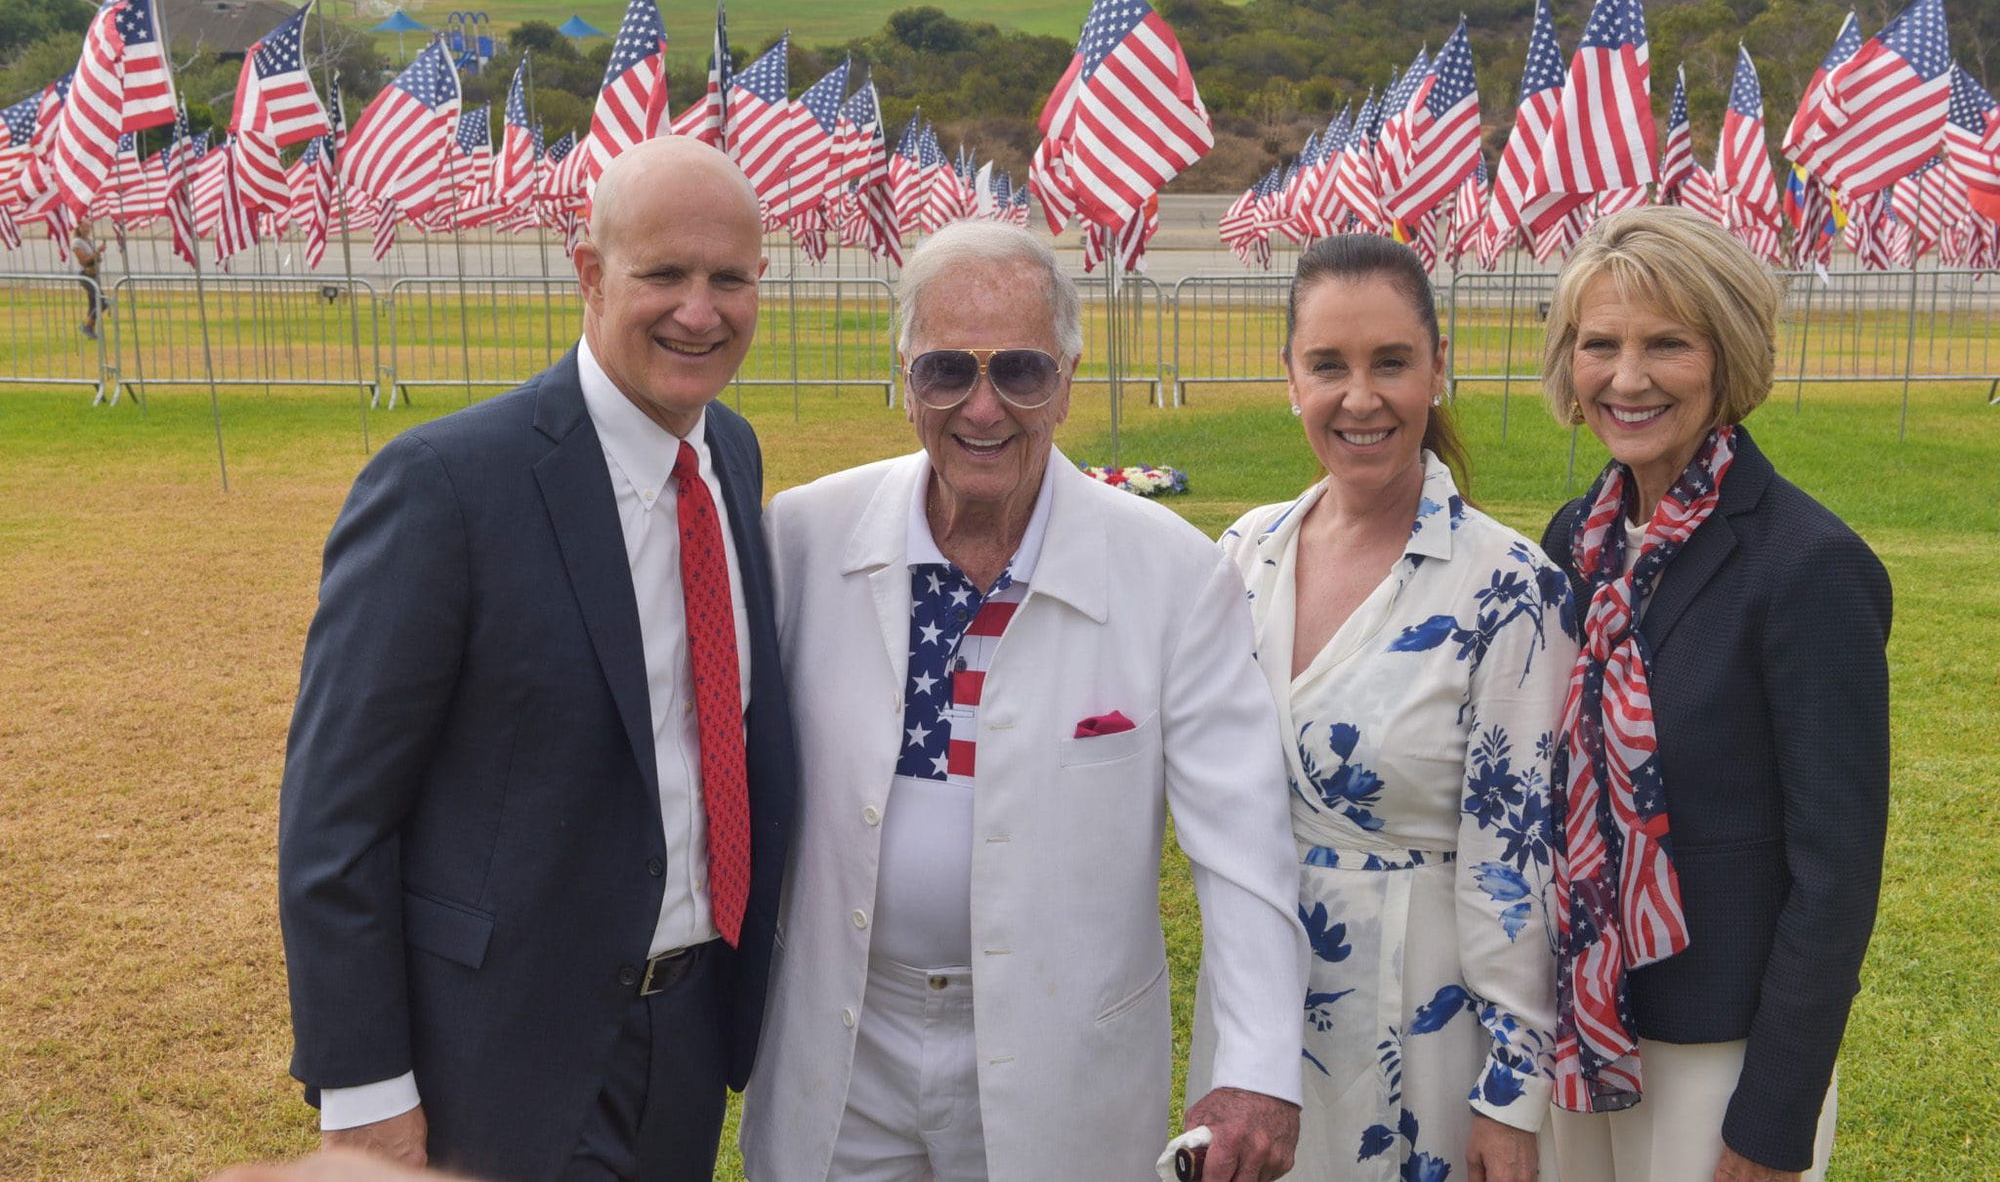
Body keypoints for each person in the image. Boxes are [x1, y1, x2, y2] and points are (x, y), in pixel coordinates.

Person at [739, 221, 1308, 1182]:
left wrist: (1255, 1066)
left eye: (1022, 371)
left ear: (1070, 380)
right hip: (844, 1035)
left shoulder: (1169, 571)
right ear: (905, 377)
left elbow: (1242, 837)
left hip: (1062, 1050)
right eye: (947, 370)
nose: (983, 406)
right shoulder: (800, 538)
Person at [278, 137, 797, 1181]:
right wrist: (368, 1096)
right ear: (589, 272)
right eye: (663, 274)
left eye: (728, 279)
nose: (699, 312)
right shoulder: (445, 486)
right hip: (499, 1058)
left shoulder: (729, 455)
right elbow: (335, 821)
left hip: (688, 1038)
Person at [1195, 233, 1575, 1182]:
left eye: (1391, 363)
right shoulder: (1242, 555)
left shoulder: (1511, 587)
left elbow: (1516, 865)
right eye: (1328, 364)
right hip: (1257, 1017)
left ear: (1438, 369)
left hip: (1430, 1029)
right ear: (1289, 376)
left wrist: (1511, 1096)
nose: (1359, 397)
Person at [1537, 208, 1891, 1182]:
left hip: (1718, 1047)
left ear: (1726, 356)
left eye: (1665, 345)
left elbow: (1834, 877)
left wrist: (1771, 1120)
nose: (1625, 377)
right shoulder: (1574, 538)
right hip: (1584, 1022)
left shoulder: (1807, 566)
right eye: (1597, 345)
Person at [74, 219, 105, 340]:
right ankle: (87, 326)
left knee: (93, 303)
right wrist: (97, 252)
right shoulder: (77, 242)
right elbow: (83, 261)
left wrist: (98, 254)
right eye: (83, 227)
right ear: (79, 228)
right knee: (102, 302)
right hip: (86, 275)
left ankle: (90, 330)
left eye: (88, 227)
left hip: (94, 274)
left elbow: (94, 258)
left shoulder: (89, 242)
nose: (86, 230)